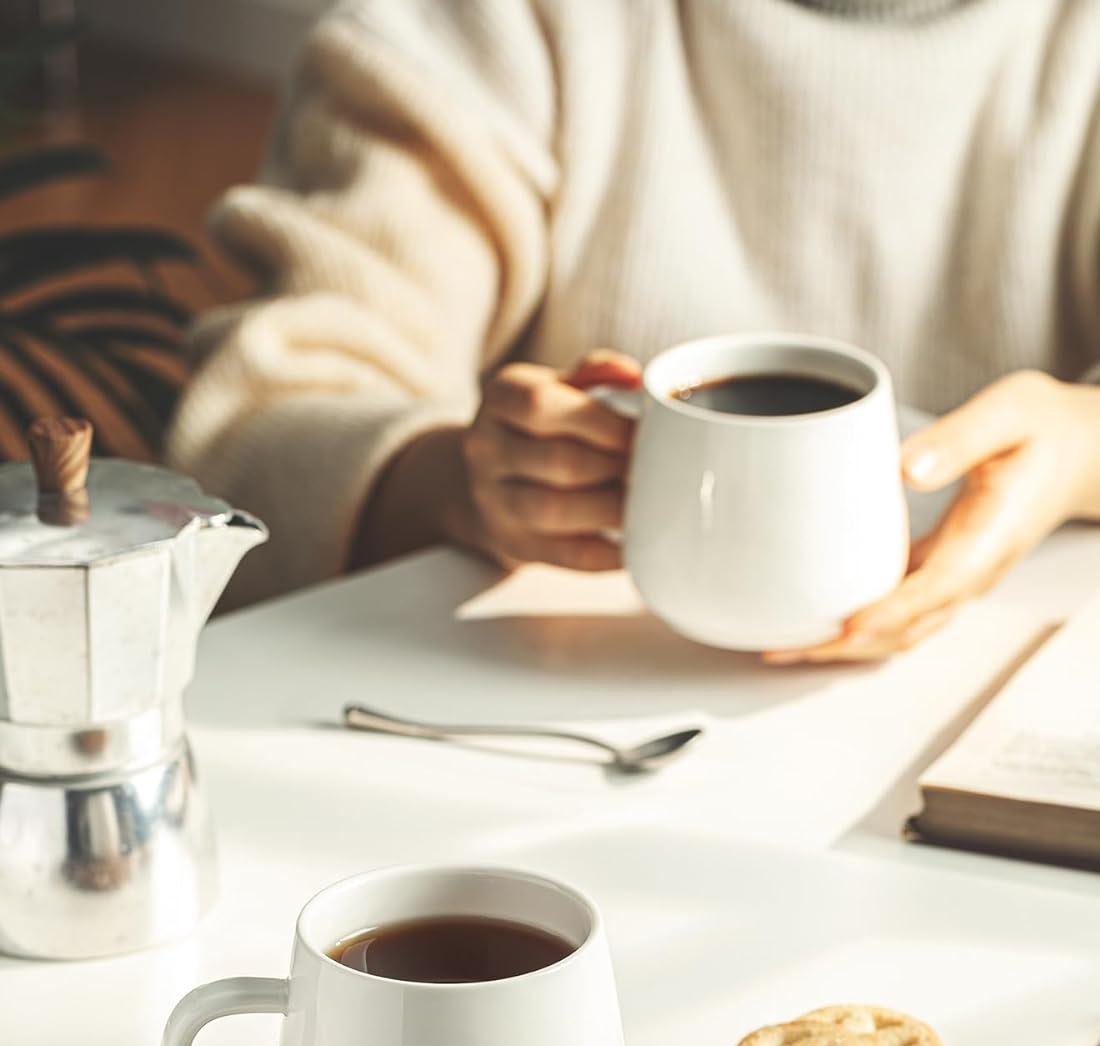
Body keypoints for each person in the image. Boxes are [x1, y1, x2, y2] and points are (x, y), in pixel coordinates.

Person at [169, 0, 1100, 659]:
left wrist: (1081, 447)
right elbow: (244, 440)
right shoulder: (490, 30)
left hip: (986, 716)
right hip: (555, 717)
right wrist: (456, 479)